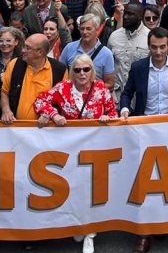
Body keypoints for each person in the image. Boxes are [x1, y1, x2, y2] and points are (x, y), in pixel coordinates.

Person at [34, 53, 117, 253]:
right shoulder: (62, 88)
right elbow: (40, 101)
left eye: (86, 69)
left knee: (91, 190)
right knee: (73, 189)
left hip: (95, 148)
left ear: (92, 71)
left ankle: (90, 232)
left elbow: (113, 112)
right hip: (69, 149)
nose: (82, 73)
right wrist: (53, 114)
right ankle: (78, 225)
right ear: (72, 72)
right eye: (77, 70)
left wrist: (107, 118)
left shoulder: (101, 89)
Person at [0, 33, 68, 123]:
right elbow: (4, 91)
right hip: (16, 126)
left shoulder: (59, 70)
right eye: (24, 46)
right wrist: (6, 110)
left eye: (27, 48)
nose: (23, 50)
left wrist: (50, 113)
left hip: (47, 127)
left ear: (40, 52)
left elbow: (63, 101)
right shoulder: (15, 64)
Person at [107, 3, 150, 102]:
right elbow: (109, 65)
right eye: (125, 13)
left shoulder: (149, 38)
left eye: (130, 14)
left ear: (140, 16)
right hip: (117, 97)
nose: (125, 17)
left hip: (139, 97)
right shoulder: (114, 37)